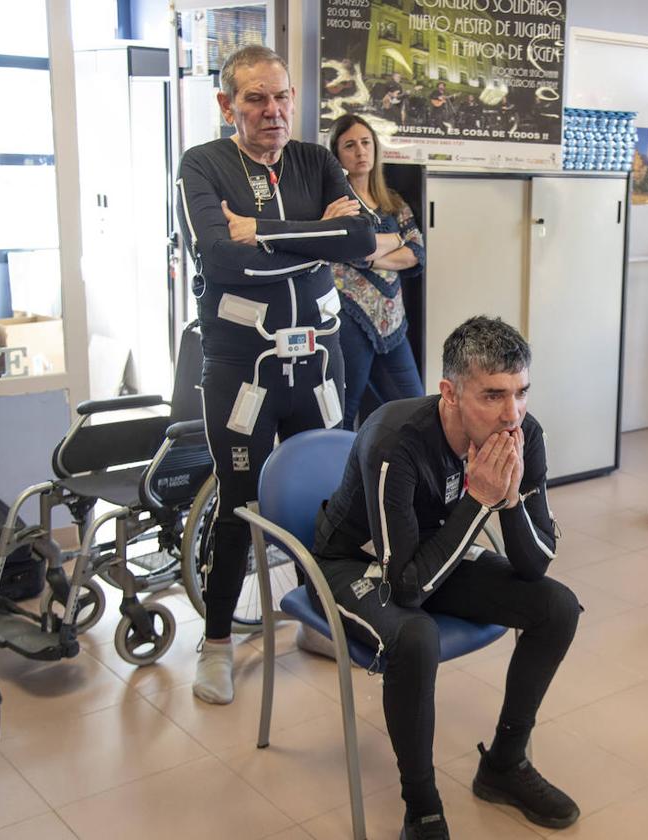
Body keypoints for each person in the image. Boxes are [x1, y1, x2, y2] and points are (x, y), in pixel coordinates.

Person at [310, 316, 580, 839]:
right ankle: (422, 806)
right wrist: (479, 500)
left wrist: (509, 500)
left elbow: (534, 563)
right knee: (415, 637)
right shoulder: (396, 441)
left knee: (557, 608)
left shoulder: (526, 434)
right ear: (450, 394)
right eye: (493, 396)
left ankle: (504, 763)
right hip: (352, 563)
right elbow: (406, 588)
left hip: (435, 550)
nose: (512, 415)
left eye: (521, 393)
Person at [176, 45, 375, 705]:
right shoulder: (202, 165)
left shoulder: (316, 161)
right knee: (241, 504)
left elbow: (361, 243)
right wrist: (313, 233)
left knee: (329, 500)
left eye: (283, 96)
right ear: (227, 104)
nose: (273, 111)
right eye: (257, 99)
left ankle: (322, 622)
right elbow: (224, 263)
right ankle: (215, 643)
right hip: (244, 368)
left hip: (319, 360)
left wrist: (260, 230)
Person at [328, 114, 426, 429]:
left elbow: (417, 252)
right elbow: (349, 248)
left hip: (393, 323)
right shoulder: (337, 204)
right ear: (337, 154)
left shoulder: (392, 202)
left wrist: (372, 256)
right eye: (350, 145)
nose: (360, 151)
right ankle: (336, 479)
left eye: (366, 143)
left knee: (418, 412)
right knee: (341, 416)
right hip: (350, 321)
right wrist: (393, 241)